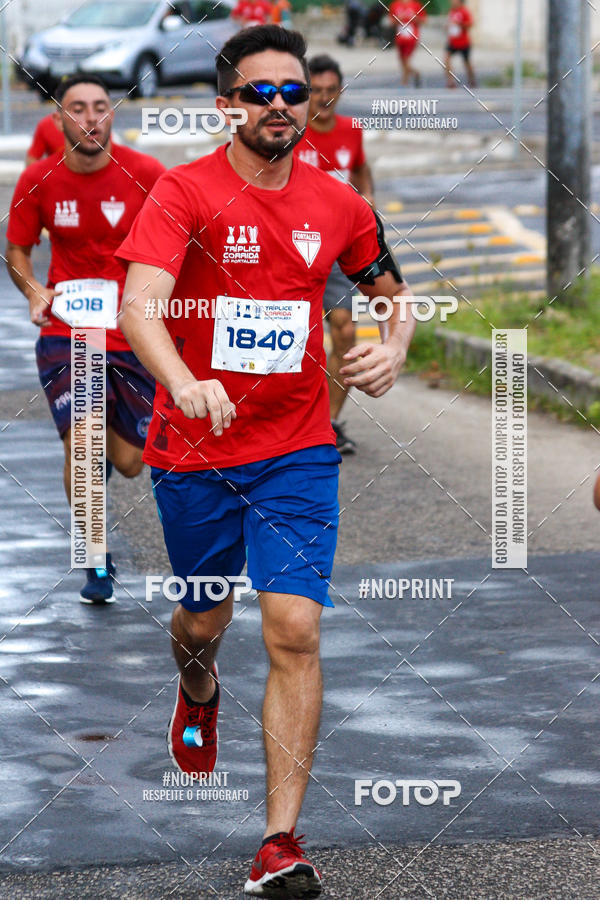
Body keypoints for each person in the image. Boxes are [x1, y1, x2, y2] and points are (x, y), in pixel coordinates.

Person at [117, 24, 415, 899]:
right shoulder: (182, 191)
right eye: (261, 92)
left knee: (294, 627)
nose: (282, 105)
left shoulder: (339, 205)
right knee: (203, 624)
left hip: (296, 449)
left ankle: (280, 842)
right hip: (193, 449)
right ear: (228, 103)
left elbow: (394, 296)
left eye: (295, 91)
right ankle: (198, 684)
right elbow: (140, 307)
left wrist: (394, 347)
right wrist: (183, 377)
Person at [6, 74, 165, 604]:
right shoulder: (38, 177)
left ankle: (95, 465)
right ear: (58, 119)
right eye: (78, 108)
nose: (91, 117)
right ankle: (95, 556)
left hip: (134, 330)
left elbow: (178, 247)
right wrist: (34, 292)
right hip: (69, 329)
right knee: (85, 438)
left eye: (101, 107)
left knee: (129, 461)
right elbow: (19, 251)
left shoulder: (146, 174)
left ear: (112, 115)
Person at [295, 54, 374, 454]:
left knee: (345, 331)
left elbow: (361, 171)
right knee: (295, 341)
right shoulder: (289, 133)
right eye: (316, 91)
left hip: (340, 251)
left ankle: (329, 424)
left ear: (340, 91)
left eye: (331, 90)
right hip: (293, 253)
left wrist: (368, 205)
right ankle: (291, 423)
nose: (324, 98)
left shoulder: (352, 130)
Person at [388, 0, 427, 86]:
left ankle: (405, 81)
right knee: (402, 60)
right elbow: (391, 21)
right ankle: (412, 75)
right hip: (400, 36)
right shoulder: (395, 5)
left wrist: (414, 18)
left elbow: (424, 20)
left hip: (411, 37)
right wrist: (399, 18)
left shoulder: (416, 5)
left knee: (406, 59)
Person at [445, 0, 476, 88]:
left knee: (466, 62)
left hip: (463, 42)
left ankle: (472, 80)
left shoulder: (464, 11)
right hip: (452, 41)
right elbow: (449, 23)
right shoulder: (451, 11)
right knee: (446, 59)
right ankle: (450, 81)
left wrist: (459, 24)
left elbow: (470, 24)